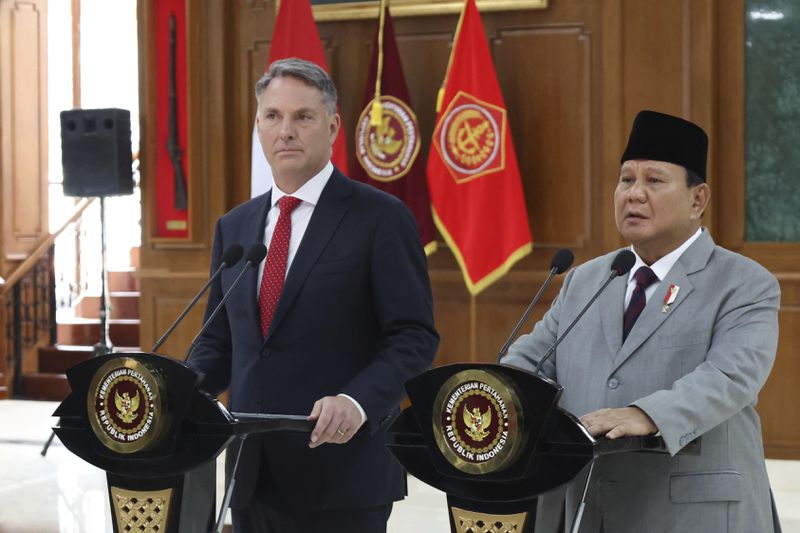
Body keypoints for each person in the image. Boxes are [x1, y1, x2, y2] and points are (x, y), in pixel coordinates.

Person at [188, 58, 439, 532]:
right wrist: (173, 392)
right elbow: (219, 342)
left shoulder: (381, 218)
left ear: (332, 125)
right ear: (258, 126)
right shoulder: (236, 227)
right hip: (251, 472)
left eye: (302, 117)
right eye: (272, 116)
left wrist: (358, 400)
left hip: (342, 470)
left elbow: (414, 337)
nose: (286, 131)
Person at [502, 110, 782, 533]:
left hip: (689, 511)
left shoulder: (742, 282)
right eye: (626, 179)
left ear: (697, 199)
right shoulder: (588, 278)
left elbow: (732, 375)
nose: (633, 194)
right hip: (586, 504)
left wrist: (645, 413)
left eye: (654, 180)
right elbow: (533, 361)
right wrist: (492, 391)